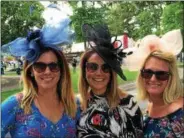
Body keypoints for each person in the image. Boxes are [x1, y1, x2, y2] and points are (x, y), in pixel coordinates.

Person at [1, 5, 80, 138]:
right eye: (40, 66)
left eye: (53, 66)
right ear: (31, 70)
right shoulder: (15, 105)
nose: (47, 71)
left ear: (61, 70)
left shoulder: (74, 105)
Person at [77, 24, 143, 138]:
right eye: (92, 67)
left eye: (105, 67)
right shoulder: (77, 106)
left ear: (112, 73)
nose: (99, 73)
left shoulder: (129, 104)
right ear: (84, 70)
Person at [131, 29, 183, 137]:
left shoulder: (180, 112)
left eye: (161, 74)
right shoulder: (150, 106)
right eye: (148, 73)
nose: (153, 79)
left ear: (171, 77)